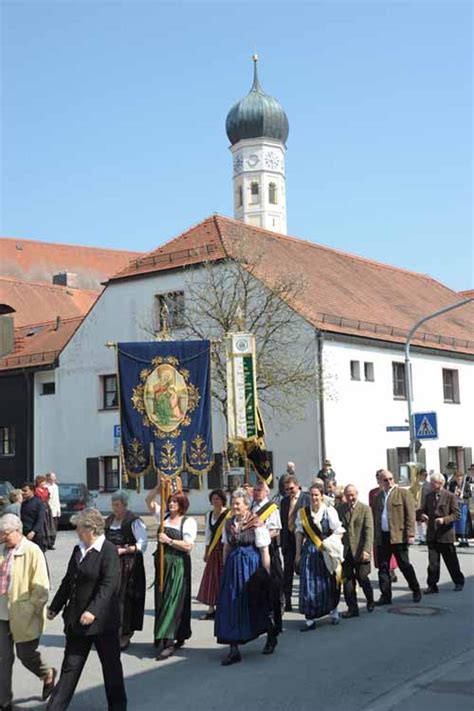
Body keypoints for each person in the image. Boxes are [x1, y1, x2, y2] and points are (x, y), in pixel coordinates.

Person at [46, 508, 127, 711]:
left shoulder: (108, 550)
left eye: (79, 528)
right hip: (76, 621)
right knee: (70, 668)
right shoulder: (78, 549)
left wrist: (93, 611)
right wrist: (55, 606)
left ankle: (117, 707)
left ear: (90, 528)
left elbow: (109, 585)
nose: (77, 531)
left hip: (103, 623)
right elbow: (68, 581)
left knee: (111, 668)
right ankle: (55, 707)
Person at [0, 514, 55, 711]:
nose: (2, 537)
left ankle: (47, 674)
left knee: (26, 656)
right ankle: (4, 702)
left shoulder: (32, 551)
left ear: (17, 531)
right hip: (2, 614)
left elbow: (41, 588)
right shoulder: (1, 548)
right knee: (3, 659)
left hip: (24, 614)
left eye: (5, 534)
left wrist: (30, 608)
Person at [214, 488, 274, 665]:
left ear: (247, 505)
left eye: (238, 504)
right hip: (233, 569)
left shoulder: (256, 523)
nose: (234, 506)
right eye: (233, 503)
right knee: (231, 605)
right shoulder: (229, 523)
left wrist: (266, 573)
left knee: (256, 603)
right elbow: (226, 547)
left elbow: (264, 549)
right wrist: (225, 568)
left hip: (251, 568)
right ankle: (234, 648)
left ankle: (271, 636)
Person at [145, 485, 197, 661]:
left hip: (178, 565)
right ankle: (169, 634)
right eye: (170, 501)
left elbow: (188, 546)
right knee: (161, 599)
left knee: (173, 600)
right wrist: (158, 488)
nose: (172, 504)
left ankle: (169, 642)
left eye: (175, 501)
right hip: (162, 566)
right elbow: (148, 501)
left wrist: (169, 540)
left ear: (182, 503)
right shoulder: (163, 516)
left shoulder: (188, 522)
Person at [295, 484, 344, 630]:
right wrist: (297, 554)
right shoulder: (303, 513)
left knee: (328, 582)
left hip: (325, 550)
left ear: (322, 496)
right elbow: (299, 533)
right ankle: (310, 618)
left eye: (317, 495)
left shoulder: (329, 511)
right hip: (309, 550)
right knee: (308, 583)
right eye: (312, 495)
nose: (314, 497)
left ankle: (333, 612)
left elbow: (339, 530)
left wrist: (332, 544)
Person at [104, 491, 147, 650]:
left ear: (125, 505)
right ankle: (111, 632)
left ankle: (125, 634)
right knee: (110, 598)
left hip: (129, 565)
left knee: (125, 600)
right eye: (113, 505)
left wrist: (124, 550)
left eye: (118, 505)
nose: (115, 508)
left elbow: (142, 545)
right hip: (111, 564)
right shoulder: (109, 520)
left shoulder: (134, 521)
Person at [373, 470, 422, 605]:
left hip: (398, 536)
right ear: (380, 482)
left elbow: (410, 515)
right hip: (383, 536)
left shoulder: (403, 493)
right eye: (385, 480)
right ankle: (386, 595)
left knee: (404, 565)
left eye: (391, 478)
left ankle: (416, 589)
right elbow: (375, 517)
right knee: (383, 567)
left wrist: (411, 534)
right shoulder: (378, 497)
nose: (389, 481)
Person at [420, 473, 465, 594]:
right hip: (432, 534)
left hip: (445, 535)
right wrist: (422, 515)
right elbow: (422, 510)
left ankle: (458, 581)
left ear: (440, 483)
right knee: (433, 563)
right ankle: (432, 585)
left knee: (451, 561)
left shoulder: (450, 496)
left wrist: (444, 520)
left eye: (432, 482)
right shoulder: (429, 496)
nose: (430, 484)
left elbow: (456, 514)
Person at [252, 480, 284, 638]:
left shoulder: (272, 508)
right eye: (255, 490)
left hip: (269, 551)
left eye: (259, 490)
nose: (256, 492)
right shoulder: (251, 506)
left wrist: (259, 537)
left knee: (273, 588)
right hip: (254, 551)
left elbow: (275, 530)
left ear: (266, 492)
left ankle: (276, 624)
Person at [337, 485, 374, 617]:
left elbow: (369, 531)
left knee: (362, 577)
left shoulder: (365, 509)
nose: (350, 498)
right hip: (346, 551)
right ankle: (352, 608)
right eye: (348, 495)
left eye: (352, 495)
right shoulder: (340, 509)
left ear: (357, 494)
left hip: (360, 550)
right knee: (347, 580)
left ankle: (370, 600)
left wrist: (366, 550)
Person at [197, 489, 230, 620]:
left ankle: (224, 608)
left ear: (223, 500)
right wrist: (206, 552)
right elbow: (208, 535)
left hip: (225, 548)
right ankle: (211, 608)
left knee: (224, 578)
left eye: (218, 498)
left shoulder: (228, 514)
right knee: (211, 579)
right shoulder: (209, 514)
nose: (215, 501)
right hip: (213, 550)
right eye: (213, 499)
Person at [280, 476, 310, 611]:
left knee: (304, 571)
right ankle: (287, 601)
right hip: (288, 541)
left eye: (291, 488)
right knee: (287, 573)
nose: (289, 491)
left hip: (303, 539)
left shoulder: (306, 499)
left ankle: (305, 599)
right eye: (286, 489)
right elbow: (283, 522)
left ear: (298, 486)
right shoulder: (284, 501)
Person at [369, 470, 398, 582]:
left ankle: (392, 570)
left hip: (392, 527)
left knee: (395, 555)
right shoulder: (374, 493)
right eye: (381, 479)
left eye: (388, 479)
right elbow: (372, 508)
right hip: (379, 525)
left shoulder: (395, 492)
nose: (385, 482)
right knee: (381, 554)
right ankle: (385, 577)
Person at [448, 470, 472, 547]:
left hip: (463, 505)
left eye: (460, 477)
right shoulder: (452, 484)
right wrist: (454, 493)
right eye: (457, 477)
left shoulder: (466, 484)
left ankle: (465, 538)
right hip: (456, 505)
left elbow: (469, 494)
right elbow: (449, 493)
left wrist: (463, 494)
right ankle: (458, 537)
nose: (458, 478)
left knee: (464, 522)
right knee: (457, 522)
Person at [20, 483, 46, 551]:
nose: (23, 493)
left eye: (25, 491)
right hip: (24, 533)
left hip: (35, 535)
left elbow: (40, 519)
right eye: (22, 491)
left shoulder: (39, 503)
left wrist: (33, 532)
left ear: (32, 491)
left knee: (39, 556)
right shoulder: (24, 503)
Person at [35, 476, 55, 550]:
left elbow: (48, 497)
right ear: (39, 482)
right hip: (40, 506)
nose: (44, 483)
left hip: (46, 507)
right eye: (43, 482)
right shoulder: (36, 490)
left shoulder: (46, 489)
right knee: (43, 525)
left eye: (45, 482)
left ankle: (49, 542)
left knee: (49, 524)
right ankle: (43, 542)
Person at [46, 473, 61, 547]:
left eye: (54, 477)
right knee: (49, 527)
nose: (54, 479)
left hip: (55, 509)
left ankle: (52, 542)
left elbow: (57, 499)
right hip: (48, 510)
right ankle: (48, 543)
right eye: (52, 477)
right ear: (48, 478)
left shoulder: (56, 487)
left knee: (54, 527)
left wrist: (58, 510)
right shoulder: (46, 487)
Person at [415, 469, 431, 544]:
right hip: (418, 505)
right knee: (419, 521)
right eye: (423, 475)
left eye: (426, 475)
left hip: (426, 505)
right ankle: (422, 538)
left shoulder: (429, 485)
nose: (424, 476)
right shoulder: (416, 485)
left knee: (427, 521)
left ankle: (429, 536)